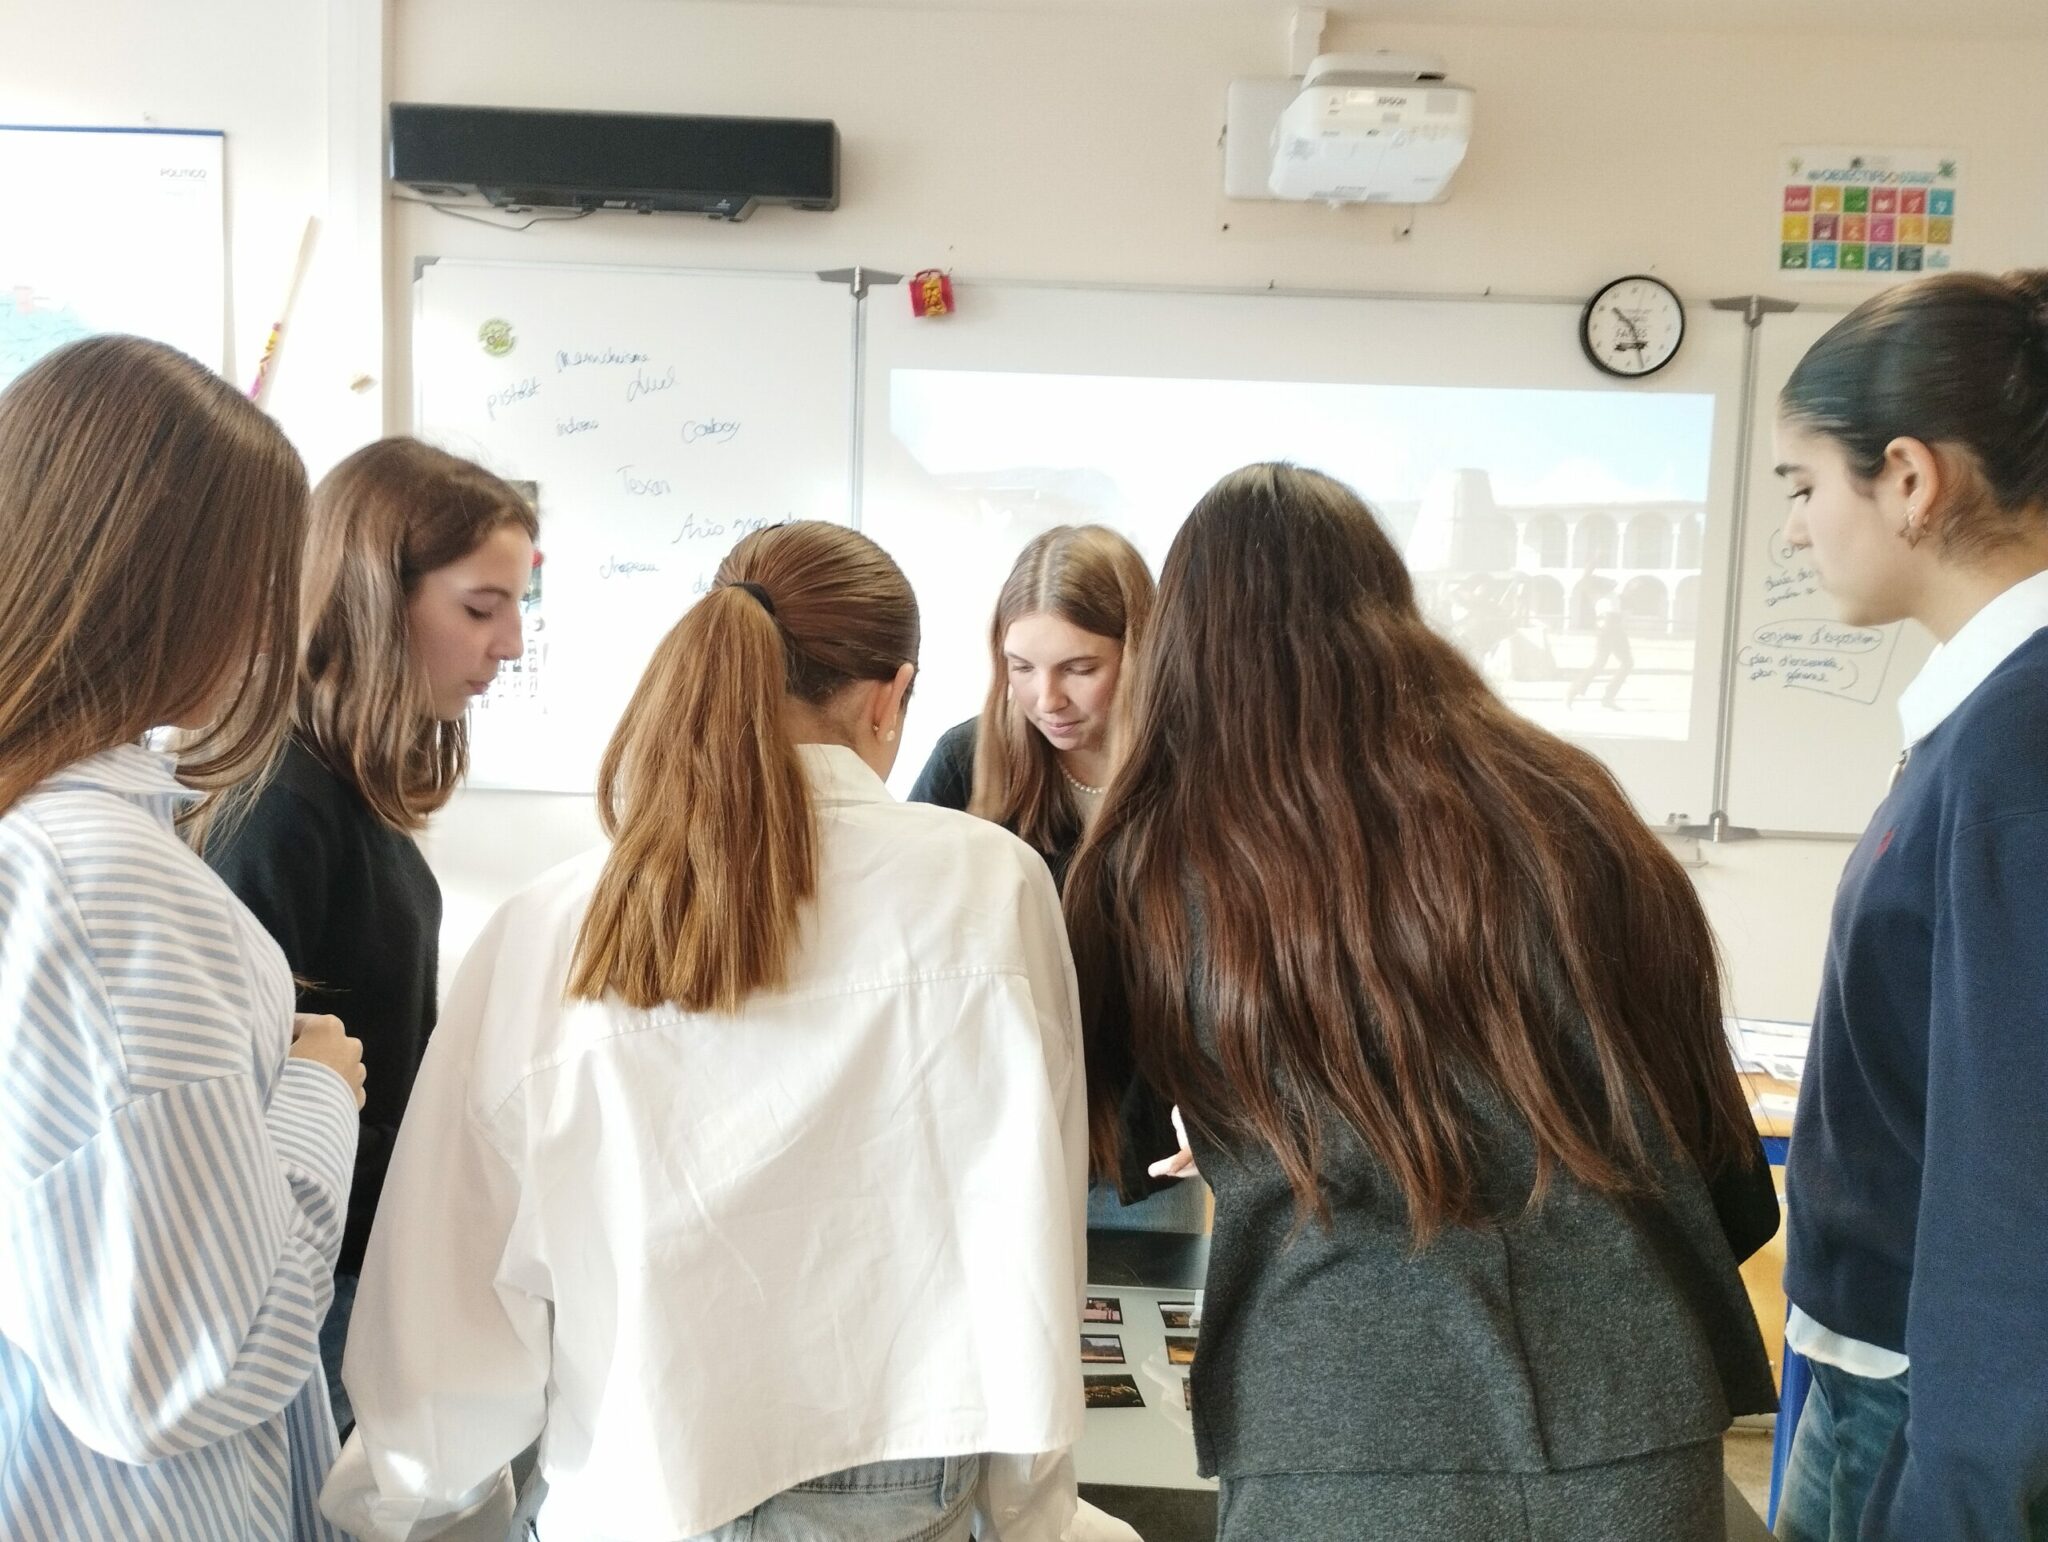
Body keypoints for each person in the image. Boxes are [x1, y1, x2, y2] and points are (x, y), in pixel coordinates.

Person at [320, 521, 1113, 1542]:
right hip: (899, 1485)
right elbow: (1036, 1216)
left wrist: (415, 1503)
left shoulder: (556, 923)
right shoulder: (991, 885)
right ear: (891, 697)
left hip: (634, 1481)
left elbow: (453, 1285)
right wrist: (1031, 1512)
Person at [1064, 463, 1780, 1542]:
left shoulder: (1153, 857)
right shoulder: (1577, 809)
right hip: (1629, 1408)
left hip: (1336, 1426)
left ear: (1183, 643)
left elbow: (1116, 1143)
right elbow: (1728, 1178)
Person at [0, 336, 366, 1539]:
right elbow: (190, 1363)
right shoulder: (104, 881)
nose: (273, 627)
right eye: (262, 576)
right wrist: (317, 1092)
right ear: (181, 583)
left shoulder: (45, 843)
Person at [1771, 270, 2048, 1542]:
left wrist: (1960, 1483)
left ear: (1907, 479)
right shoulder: (1982, 721)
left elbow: (2012, 1164)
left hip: (1926, 1411)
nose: (1794, 531)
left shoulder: (2015, 750)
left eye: (1801, 486)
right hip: (1889, 1379)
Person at [204, 437, 537, 1435]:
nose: (511, 644)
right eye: (480, 608)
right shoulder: (279, 807)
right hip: (312, 1291)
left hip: (365, 1267)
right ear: (375, 600)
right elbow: (242, 1113)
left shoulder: (344, 793)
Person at [908, 525, 1196, 1232]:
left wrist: (1225, 1104)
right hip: (993, 1145)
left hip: (1152, 1153)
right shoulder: (966, 760)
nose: (1047, 699)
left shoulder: (1196, 771)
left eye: (1079, 668)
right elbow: (908, 943)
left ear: (1141, 651)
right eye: (1022, 667)